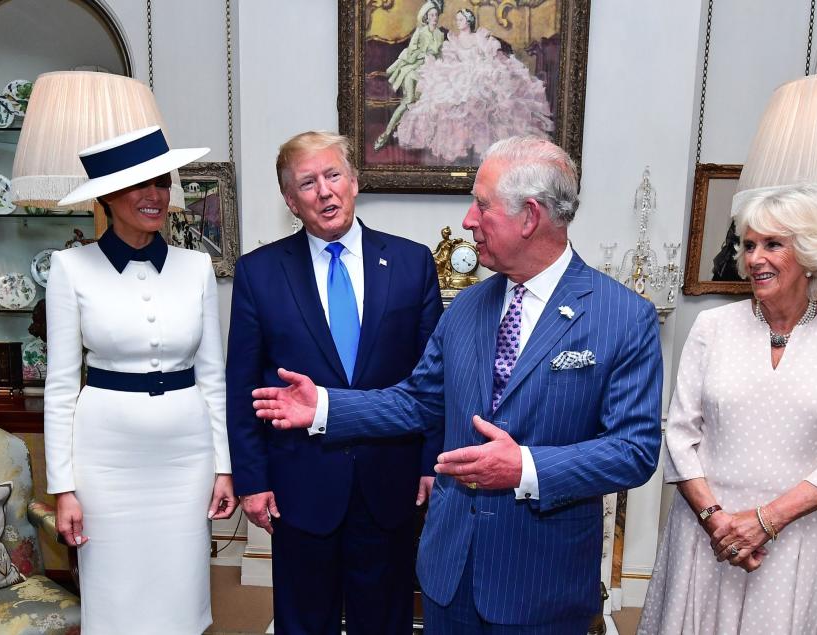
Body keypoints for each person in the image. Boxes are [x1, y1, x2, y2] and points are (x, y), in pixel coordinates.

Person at [252, 136, 663, 634]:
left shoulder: (622, 316)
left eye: (482, 205)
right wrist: (325, 408)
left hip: (540, 582)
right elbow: (418, 401)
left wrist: (526, 467)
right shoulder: (468, 308)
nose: (468, 219)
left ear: (529, 216)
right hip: (450, 574)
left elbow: (633, 451)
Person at [225, 130, 443, 634]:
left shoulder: (412, 264)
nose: (324, 191)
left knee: (385, 619)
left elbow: (434, 383)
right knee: (304, 621)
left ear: (354, 181)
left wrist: (431, 461)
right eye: (307, 182)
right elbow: (242, 387)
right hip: (299, 483)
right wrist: (252, 480)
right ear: (290, 201)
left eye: (333, 175)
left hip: (390, 481)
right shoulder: (259, 273)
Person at [637, 185, 817, 634]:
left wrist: (766, 521)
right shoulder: (712, 326)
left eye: (772, 244)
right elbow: (680, 433)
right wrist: (717, 521)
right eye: (748, 245)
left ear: (809, 254)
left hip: (795, 539)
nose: (754, 258)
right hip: (707, 534)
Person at [44, 126, 237, 634]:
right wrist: (63, 488)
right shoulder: (69, 268)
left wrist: (223, 466)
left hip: (185, 458)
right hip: (105, 462)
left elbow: (213, 377)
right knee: (115, 596)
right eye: (138, 185)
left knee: (181, 592)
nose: (154, 196)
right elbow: (62, 388)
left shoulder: (196, 267)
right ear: (107, 195)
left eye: (161, 182)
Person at [396, 9, 553, 163]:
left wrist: (481, 66)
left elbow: (488, 55)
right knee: (444, 97)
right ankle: (456, 141)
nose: (458, 23)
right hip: (460, 74)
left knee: (482, 92)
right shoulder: (454, 40)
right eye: (457, 20)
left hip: (478, 72)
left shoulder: (479, 37)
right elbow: (451, 60)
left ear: (469, 21)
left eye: (461, 20)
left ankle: (478, 141)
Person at [374, 0, 445, 151]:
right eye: (431, 15)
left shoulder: (439, 34)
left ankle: (423, 137)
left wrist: (438, 60)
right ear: (426, 17)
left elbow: (440, 54)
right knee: (408, 101)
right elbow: (411, 50)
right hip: (413, 70)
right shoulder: (420, 32)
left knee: (432, 102)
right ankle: (386, 134)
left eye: (436, 15)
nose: (434, 17)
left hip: (431, 72)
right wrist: (424, 55)